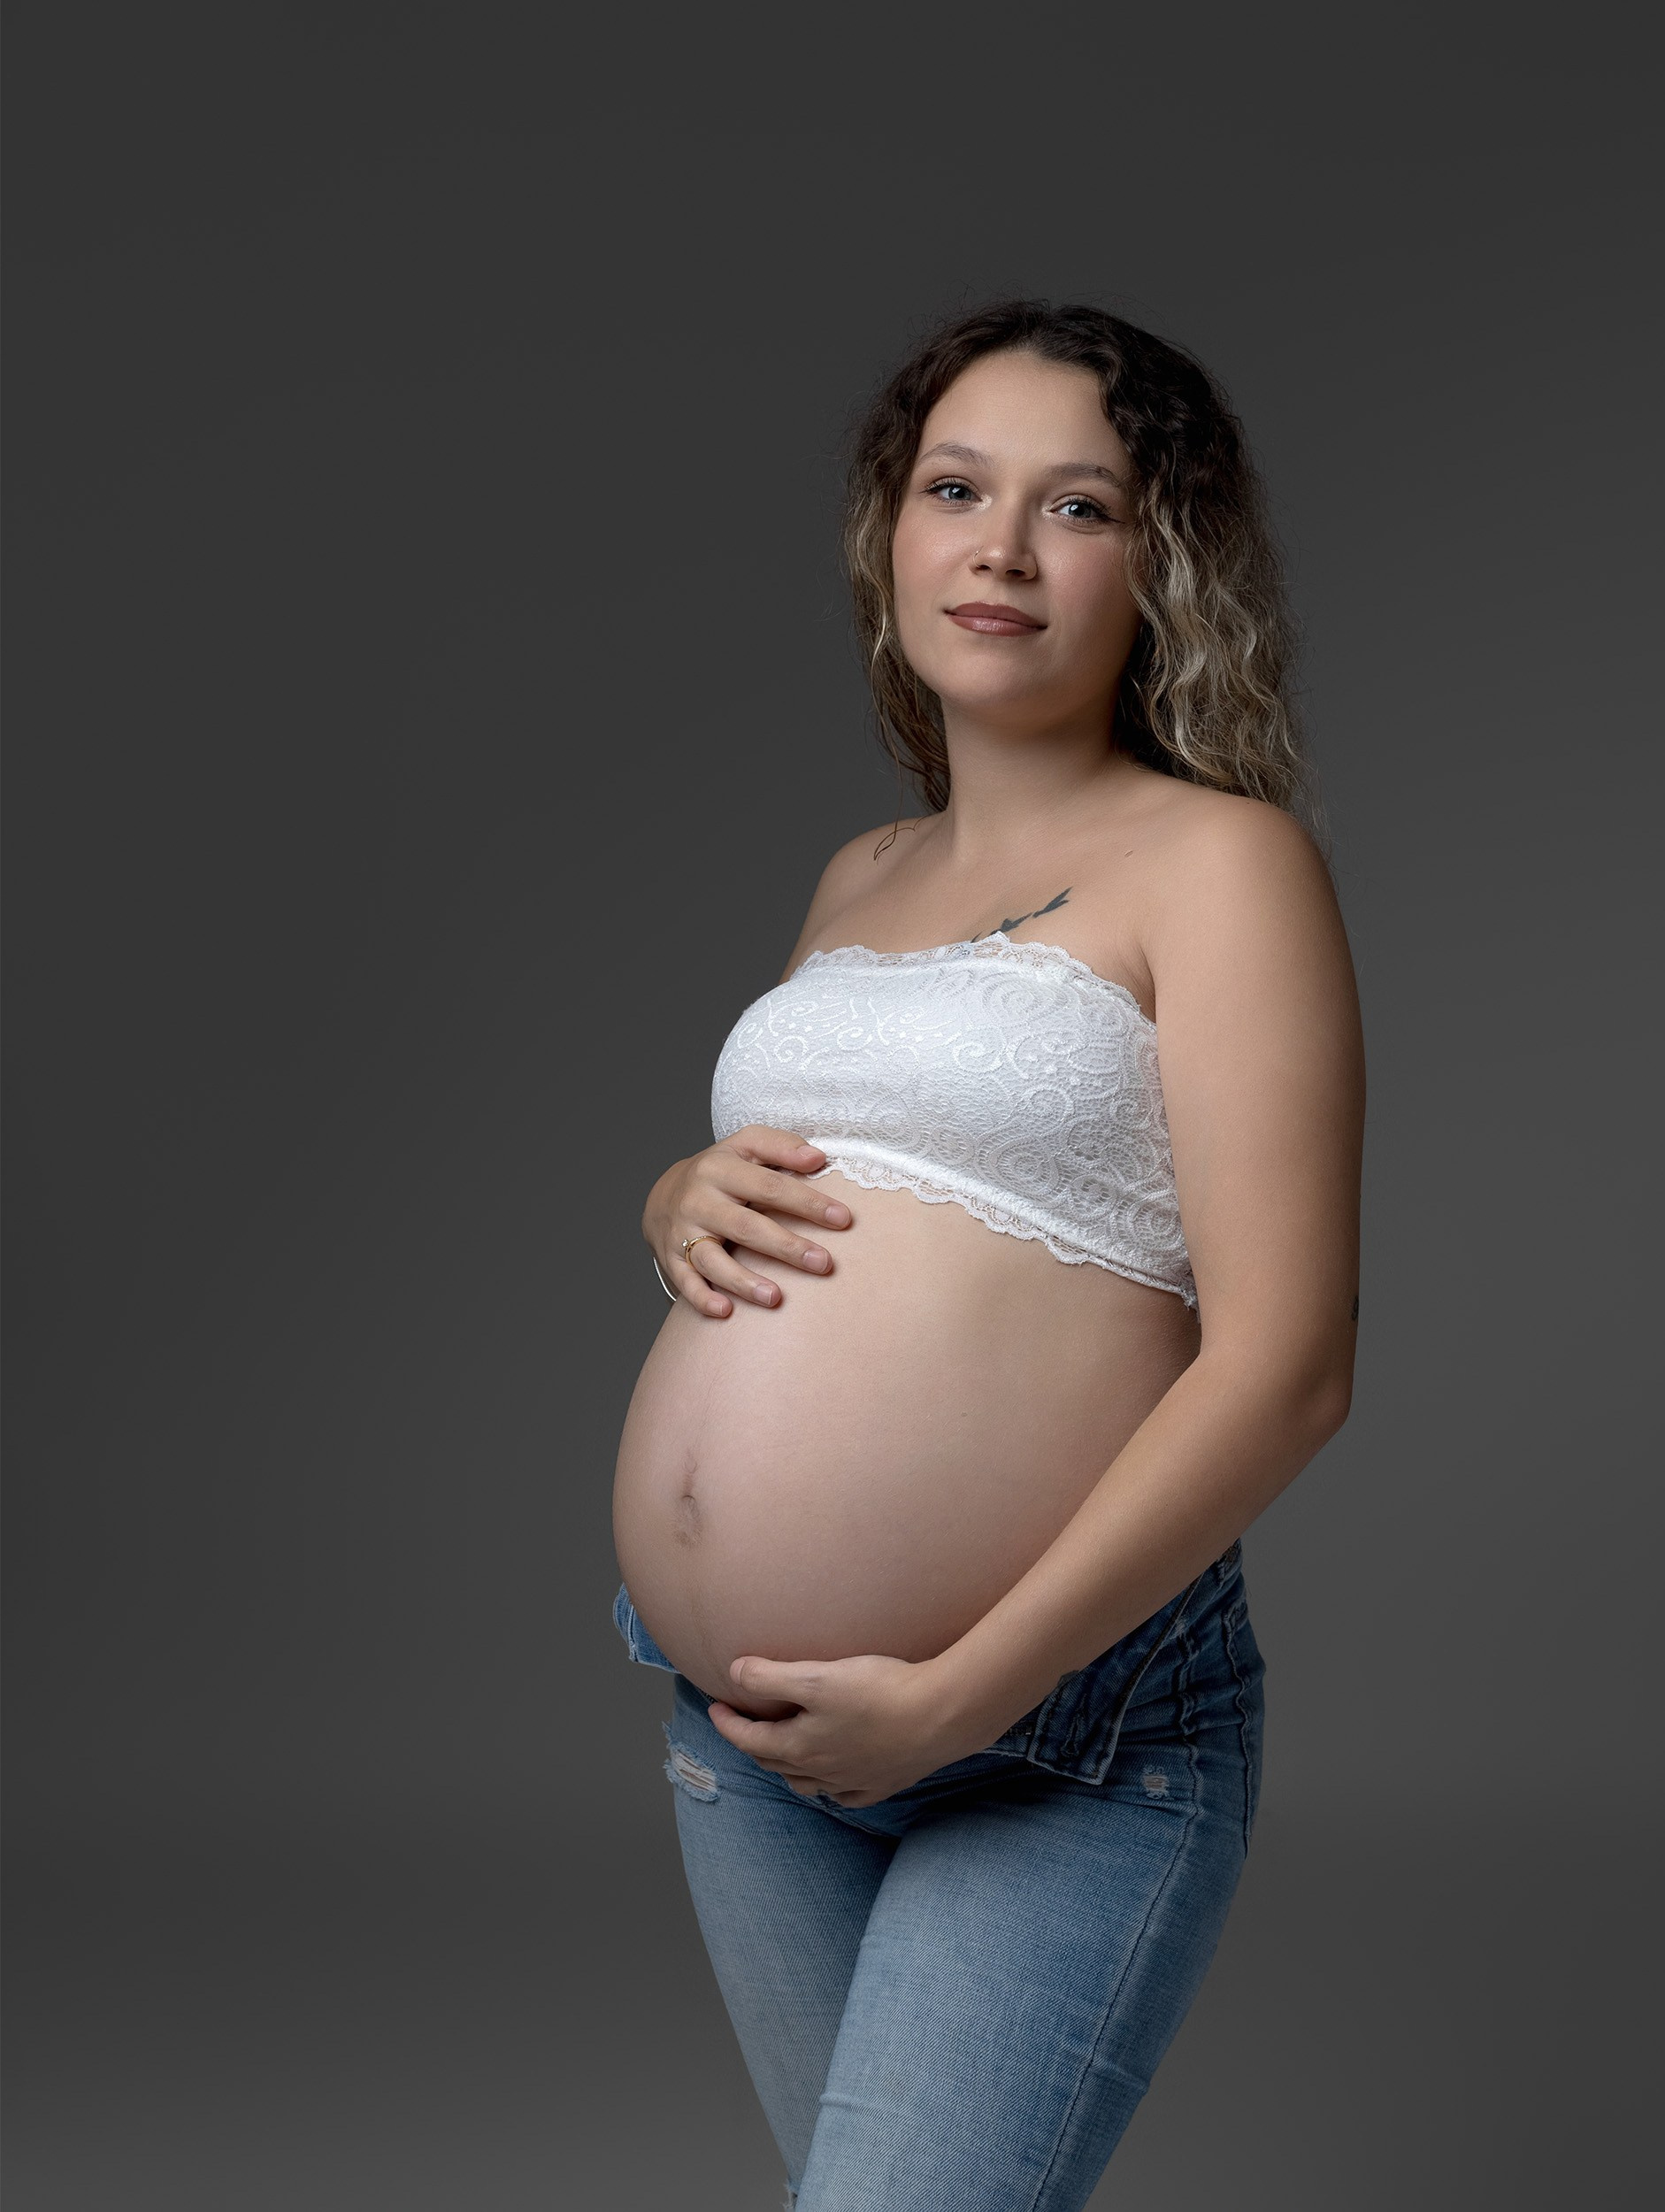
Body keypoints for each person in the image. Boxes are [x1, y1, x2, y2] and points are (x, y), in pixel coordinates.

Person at [610, 299, 1364, 2210]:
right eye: (957, 487)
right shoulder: (856, 878)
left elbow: (1287, 1364)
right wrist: (672, 1198)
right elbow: (854, 1173)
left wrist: (956, 1695)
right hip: (744, 1734)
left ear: (1160, 558)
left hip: (1060, 1734)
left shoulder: (1222, 863)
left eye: (1077, 504)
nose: (1001, 548)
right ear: (893, 534)